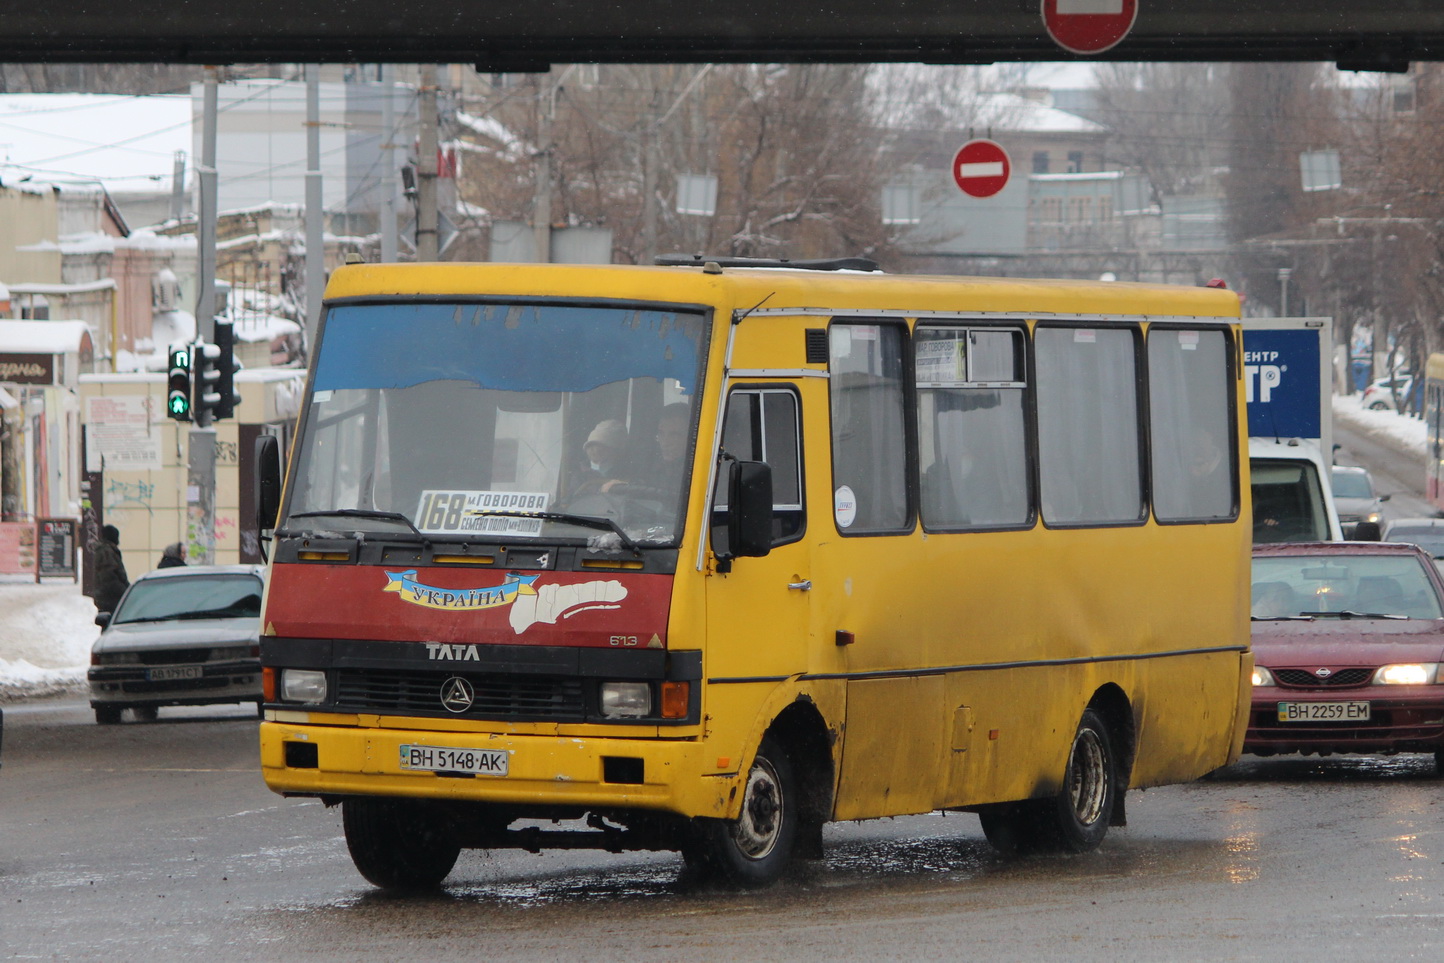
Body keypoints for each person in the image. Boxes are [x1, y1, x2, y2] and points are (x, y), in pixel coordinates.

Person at [88, 524, 129, 615]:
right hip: (110, 600)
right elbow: (109, 579)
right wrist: (126, 592)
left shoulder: (107, 551)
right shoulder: (106, 552)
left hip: (108, 599)